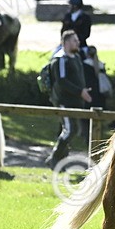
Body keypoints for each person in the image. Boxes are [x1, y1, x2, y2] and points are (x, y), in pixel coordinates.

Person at [48, 30, 92, 169]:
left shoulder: (76, 57)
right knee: (70, 130)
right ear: (66, 43)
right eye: (74, 40)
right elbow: (61, 81)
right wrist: (80, 92)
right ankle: (54, 158)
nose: (78, 43)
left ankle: (60, 162)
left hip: (75, 102)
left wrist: (83, 92)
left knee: (71, 130)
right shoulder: (61, 59)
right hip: (63, 101)